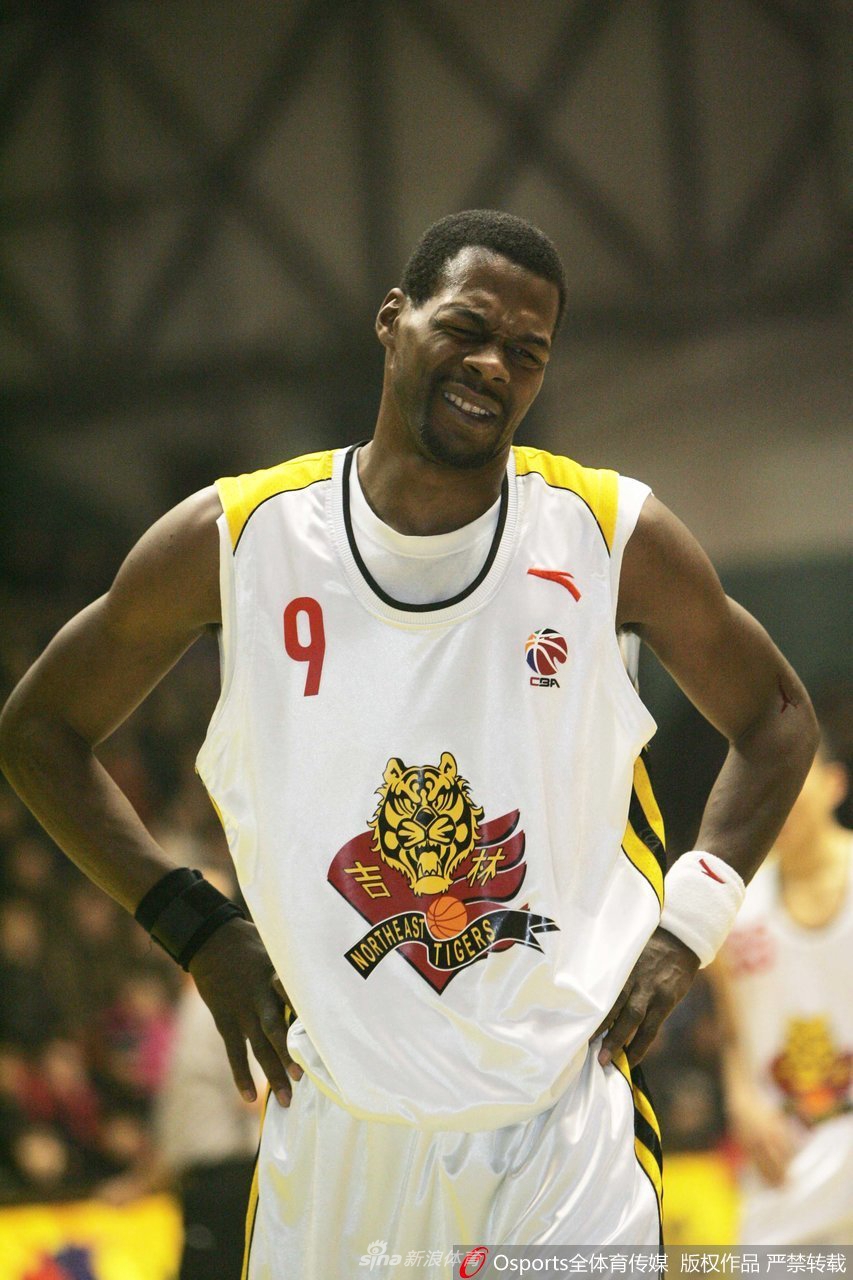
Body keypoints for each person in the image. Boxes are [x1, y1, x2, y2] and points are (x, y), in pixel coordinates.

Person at [0, 210, 818, 1272]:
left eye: (527, 350)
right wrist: (192, 924)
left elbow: (777, 717)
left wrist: (687, 927)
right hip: (335, 1132)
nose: (493, 365)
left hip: (558, 1132)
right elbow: (37, 730)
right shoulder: (238, 538)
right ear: (393, 319)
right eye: (467, 327)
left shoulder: (609, 533)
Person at [709, 738, 852, 1245]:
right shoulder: (735, 910)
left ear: (833, 784)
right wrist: (740, 1097)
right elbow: (732, 1035)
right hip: (786, 1163)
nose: (776, 800)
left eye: (791, 782)